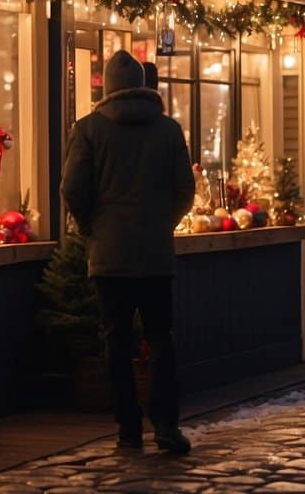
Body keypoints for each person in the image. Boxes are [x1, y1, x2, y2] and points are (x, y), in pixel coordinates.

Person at [61, 50, 195, 453]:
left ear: (107, 86)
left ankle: (128, 427)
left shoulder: (88, 130)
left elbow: (72, 189)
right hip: (155, 255)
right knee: (161, 339)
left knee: (116, 342)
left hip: (109, 256)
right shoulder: (169, 131)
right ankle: (167, 424)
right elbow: (185, 191)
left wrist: (91, 227)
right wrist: (163, 224)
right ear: (142, 84)